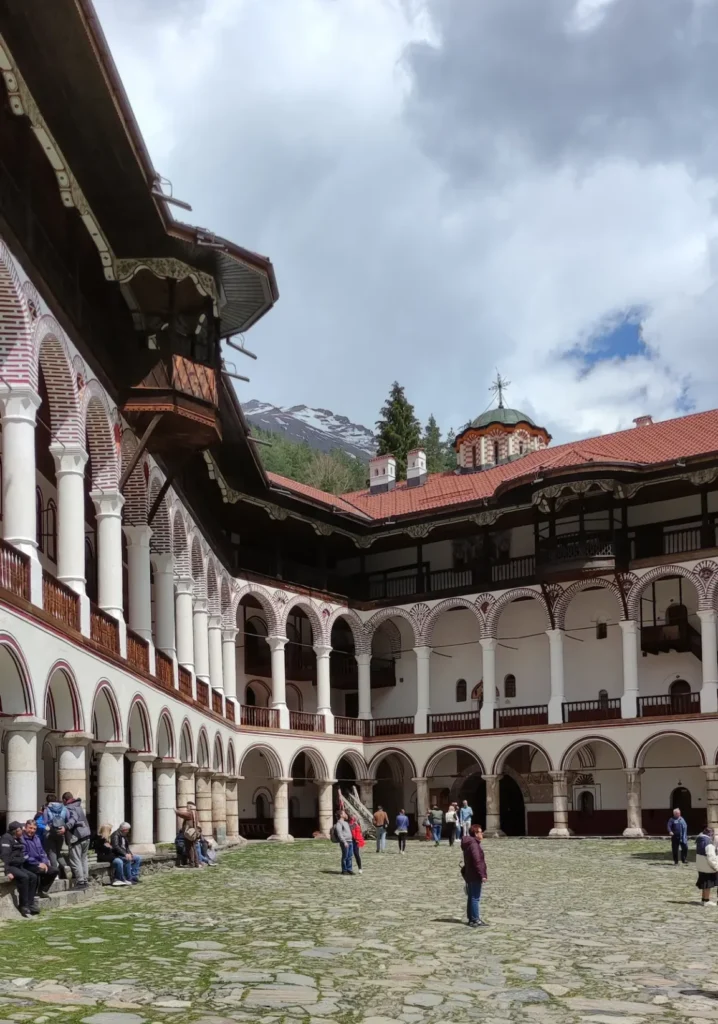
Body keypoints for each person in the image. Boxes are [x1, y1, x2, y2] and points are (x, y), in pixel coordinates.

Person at [1, 821, 39, 917]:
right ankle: (23, 906)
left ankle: (30, 904)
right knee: (24, 877)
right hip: (11, 866)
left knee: (33, 877)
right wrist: (7, 871)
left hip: (19, 866)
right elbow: (5, 857)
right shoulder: (6, 839)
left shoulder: (17, 839)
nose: (22, 831)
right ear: (15, 831)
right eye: (20, 830)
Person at [22, 819, 58, 898]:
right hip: (28, 864)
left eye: (34, 829)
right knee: (40, 870)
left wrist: (45, 861)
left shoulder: (37, 838)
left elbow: (42, 852)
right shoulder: (22, 839)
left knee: (54, 870)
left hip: (39, 862)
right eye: (30, 828)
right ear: (25, 827)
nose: (32, 830)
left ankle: (42, 890)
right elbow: (25, 855)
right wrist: (38, 864)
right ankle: (33, 892)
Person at [63, 791, 92, 889]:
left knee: (76, 860)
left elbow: (73, 818)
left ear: (64, 800)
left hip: (77, 836)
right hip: (86, 835)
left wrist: (66, 827)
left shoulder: (69, 807)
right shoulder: (78, 806)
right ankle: (85, 879)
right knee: (83, 859)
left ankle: (80, 882)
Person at [461, 824, 488, 927]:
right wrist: (482, 875)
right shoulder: (474, 845)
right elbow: (478, 861)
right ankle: (475, 919)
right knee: (475, 897)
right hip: (474, 874)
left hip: (469, 873)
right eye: (480, 832)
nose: (482, 834)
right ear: (476, 834)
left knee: (471, 897)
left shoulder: (469, 843)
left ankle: (471, 918)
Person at [42, 798, 69, 878]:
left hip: (51, 832)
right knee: (58, 852)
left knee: (52, 853)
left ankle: (55, 874)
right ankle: (65, 866)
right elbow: (67, 819)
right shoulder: (65, 808)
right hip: (61, 833)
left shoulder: (47, 809)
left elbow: (45, 821)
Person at [696, 826, 718, 906]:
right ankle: (706, 900)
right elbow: (711, 857)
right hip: (707, 866)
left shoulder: (700, 840)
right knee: (707, 885)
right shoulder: (708, 843)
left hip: (700, 865)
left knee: (704, 884)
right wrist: (716, 867)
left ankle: (703, 899)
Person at [175, 801, 200, 868]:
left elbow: (183, 815)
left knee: (190, 848)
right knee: (194, 848)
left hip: (190, 834)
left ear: (190, 806)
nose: (187, 808)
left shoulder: (191, 813)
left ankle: (192, 863)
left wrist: (176, 811)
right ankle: (196, 863)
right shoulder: (195, 813)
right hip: (194, 833)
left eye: (188, 806)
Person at [333, 810, 354, 875]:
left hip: (350, 841)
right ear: (341, 815)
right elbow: (340, 834)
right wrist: (344, 842)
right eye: (344, 813)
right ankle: (344, 870)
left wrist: (355, 823)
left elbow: (349, 830)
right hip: (345, 842)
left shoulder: (346, 823)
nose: (346, 814)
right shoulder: (339, 824)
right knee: (345, 856)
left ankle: (349, 869)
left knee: (350, 856)